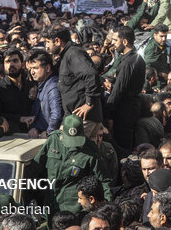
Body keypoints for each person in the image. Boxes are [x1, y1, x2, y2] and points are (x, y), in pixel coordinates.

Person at [32, 114, 112, 217]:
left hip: (74, 209)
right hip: (51, 203)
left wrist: (106, 207)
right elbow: (35, 167)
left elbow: (105, 180)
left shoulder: (89, 150)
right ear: (62, 132)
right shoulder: (53, 141)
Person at [46, 25, 103, 139]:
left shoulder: (73, 53)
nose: (46, 46)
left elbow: (90, 74)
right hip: (76, 117)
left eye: (48, 42)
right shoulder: (65, 55)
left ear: (57, 41)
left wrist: (89, 103)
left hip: (82, 118)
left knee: (71, 152)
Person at [107, 26, 146, 157]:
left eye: (115, 40)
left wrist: (109, 113)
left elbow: (119, 90)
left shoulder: (129, 62)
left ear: (124, 41)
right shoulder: (135, 58)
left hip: (125, 111)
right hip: (131, 108)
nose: (113, 43)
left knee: (123, 148)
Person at [0, 48, 35, 134]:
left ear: (23, 64)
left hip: (33, 131)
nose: (11, 64)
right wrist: (20, 118)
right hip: (11, 135)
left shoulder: (31, 86)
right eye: (8, 62)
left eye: (15, 61)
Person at [27, 49, 63, 138]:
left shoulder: (53, 87)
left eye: (35, 68)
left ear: (47, 68)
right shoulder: (41, 85)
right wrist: (35, 128)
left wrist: (49, 132)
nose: (32, 72)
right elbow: (38, 113)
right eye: (31, 68)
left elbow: (56, 115)